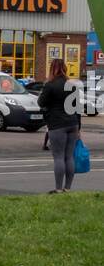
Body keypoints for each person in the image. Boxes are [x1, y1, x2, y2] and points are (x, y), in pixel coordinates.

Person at [37, 58, 82, 191]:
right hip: (72, 123)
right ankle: (67, 188)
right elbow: (77, 108)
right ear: (65, 68)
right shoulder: (72, 85)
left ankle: (58, 189)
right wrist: (79, 127)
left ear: (52, 69)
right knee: (69, 156)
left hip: (57, 124)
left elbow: (41, 103)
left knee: (58, 157)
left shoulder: (50, 85)